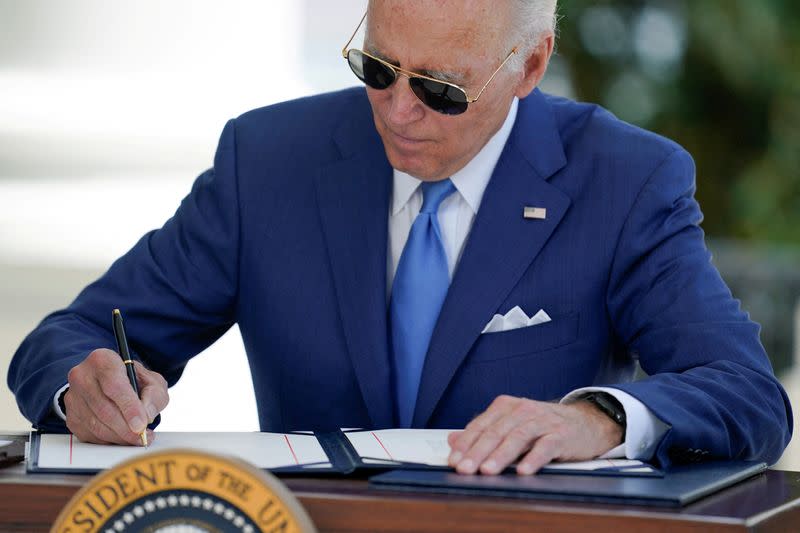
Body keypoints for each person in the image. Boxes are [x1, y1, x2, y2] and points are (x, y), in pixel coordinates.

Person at [8, 0, 792, 476]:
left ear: (530, 66)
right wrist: (88, 387)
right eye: (376, 68)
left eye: (440, 88)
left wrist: (599, 419)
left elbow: (746, 394)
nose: (397, 110)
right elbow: (68, 338)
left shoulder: (624, 179)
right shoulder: (269, 161)